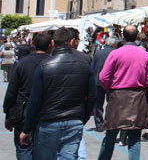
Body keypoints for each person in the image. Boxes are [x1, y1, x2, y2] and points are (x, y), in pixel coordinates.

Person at [19, 28, 96, 160]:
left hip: (48, 121)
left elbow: (35, 100)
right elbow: (93, 96)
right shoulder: (84, 65)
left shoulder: (44, 66)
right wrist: (82, 118)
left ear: (53, 43)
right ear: (71, 42)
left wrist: (27, 128)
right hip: (74, 119)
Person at [98, 25, 148, 160]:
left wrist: (110, 88)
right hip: (137, 96)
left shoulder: (115, 53)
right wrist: (141, 87)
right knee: (135, 137)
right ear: (137, 37)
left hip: (118, 96)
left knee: (110, 135)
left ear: (123, 37)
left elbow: (103, 77)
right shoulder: (145, 55)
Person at [3, 33, 52, 159]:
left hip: (23, 113)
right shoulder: (54, 63)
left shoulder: (22, 64)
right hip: (47, 113)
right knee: (43, 152)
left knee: (24, 147)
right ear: (50, 45)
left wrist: (8, 114)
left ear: (33, 45)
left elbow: (11, 91)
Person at [91, 36, 117, 132]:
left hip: (97, 81)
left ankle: (99, 124)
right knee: (111, 104)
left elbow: (92, 67)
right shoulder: (114, 53)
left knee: (98, 104)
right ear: (113, 44)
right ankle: (108, 123)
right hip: (110, 82)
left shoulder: (98, 53)